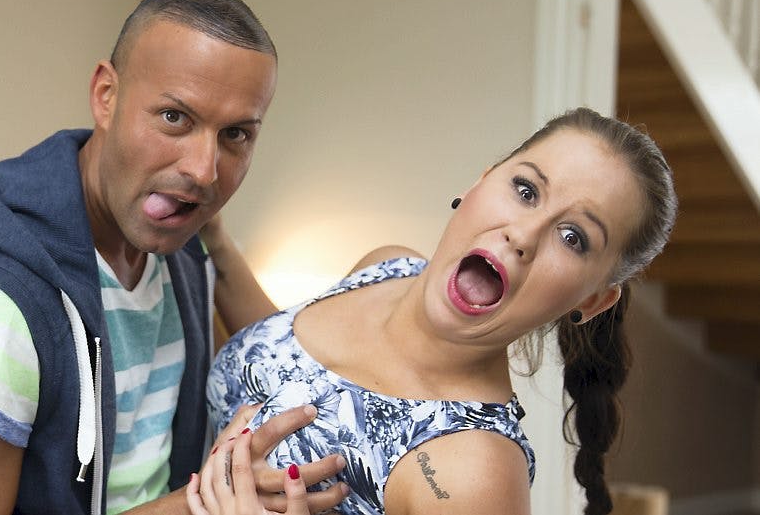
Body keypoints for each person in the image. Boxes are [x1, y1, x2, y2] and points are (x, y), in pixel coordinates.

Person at [0, 0, 349, 514]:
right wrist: (201, 503)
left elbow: (291, 369)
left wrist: (216, 240)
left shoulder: (184, 256)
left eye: (236, 134)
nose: (204, 170)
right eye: (174, 117)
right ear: (106, 95)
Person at [191, 107, 678, 515]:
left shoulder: (474, 477)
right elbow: (284, 367)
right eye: (526, 191)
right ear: (481, 180)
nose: (524, 235)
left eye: (573, 238)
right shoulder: (387, 265)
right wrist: (218, 243)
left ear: (591, 301)